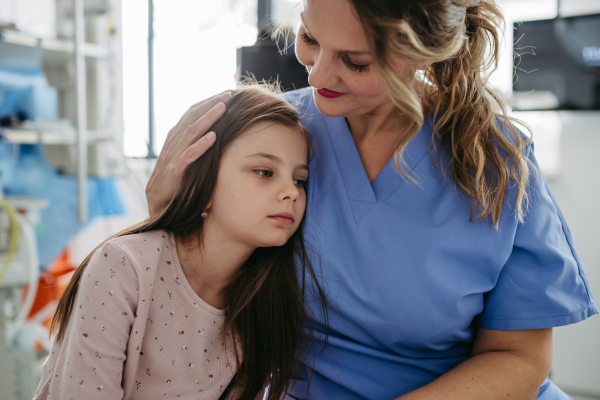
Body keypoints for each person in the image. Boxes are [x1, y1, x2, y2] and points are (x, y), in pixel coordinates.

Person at [146, 1, 598, 399]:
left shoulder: (497, 161)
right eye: (309, 38)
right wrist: (167, 219)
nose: (317, 73)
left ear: (421, 53)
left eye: (355, 62)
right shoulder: (271, 139)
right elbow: (197, 303)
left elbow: (519, 357)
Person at [34, 86, 327, 400]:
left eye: (299, 179)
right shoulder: (123, 267)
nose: (292, 192)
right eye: (264, 171)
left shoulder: (265, 301)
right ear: (204, 177)